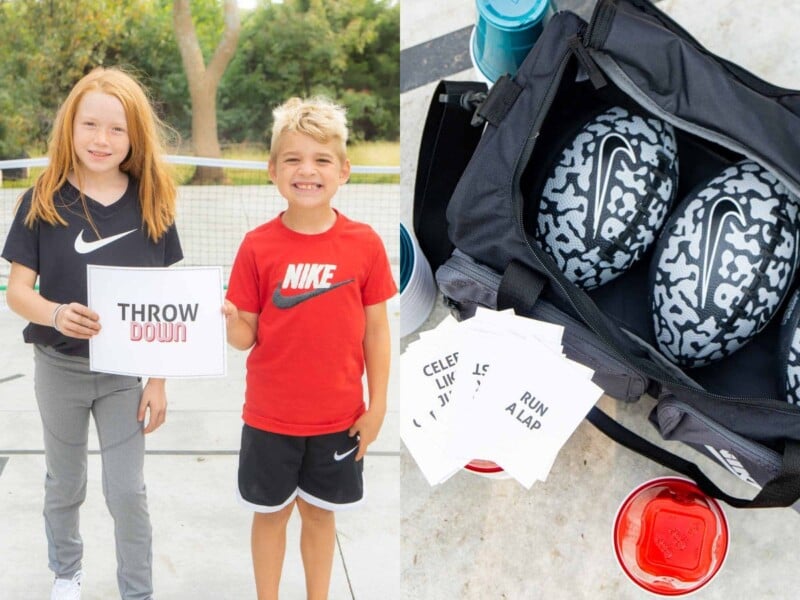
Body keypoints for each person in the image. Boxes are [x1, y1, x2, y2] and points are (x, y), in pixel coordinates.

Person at [1, 67, 182, 600]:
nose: (102, 140)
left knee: (127, 491)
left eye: (117, 129)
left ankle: (137, 590)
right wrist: (54, 313)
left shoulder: (153, 202)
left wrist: (159, 380)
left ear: (134, 138)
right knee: (66, 483)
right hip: (59, 370)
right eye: (90, 125)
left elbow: (166, 309)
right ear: (70, 127)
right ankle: (67, 572)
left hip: (124, 374)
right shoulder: (42, 198)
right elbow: (17, 292)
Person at [223, 96, 396, 600]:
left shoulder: (364, 244)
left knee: (320, 516)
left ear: (343, 170)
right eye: (294, 159)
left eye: (321, 160)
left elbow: (377, 332)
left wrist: (378, 405)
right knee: (270, 515)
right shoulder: (257, 246)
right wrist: (231, 321)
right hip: (269, 419)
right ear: (273, 170)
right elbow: (245, 338)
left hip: (339, 420)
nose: (307, 171)